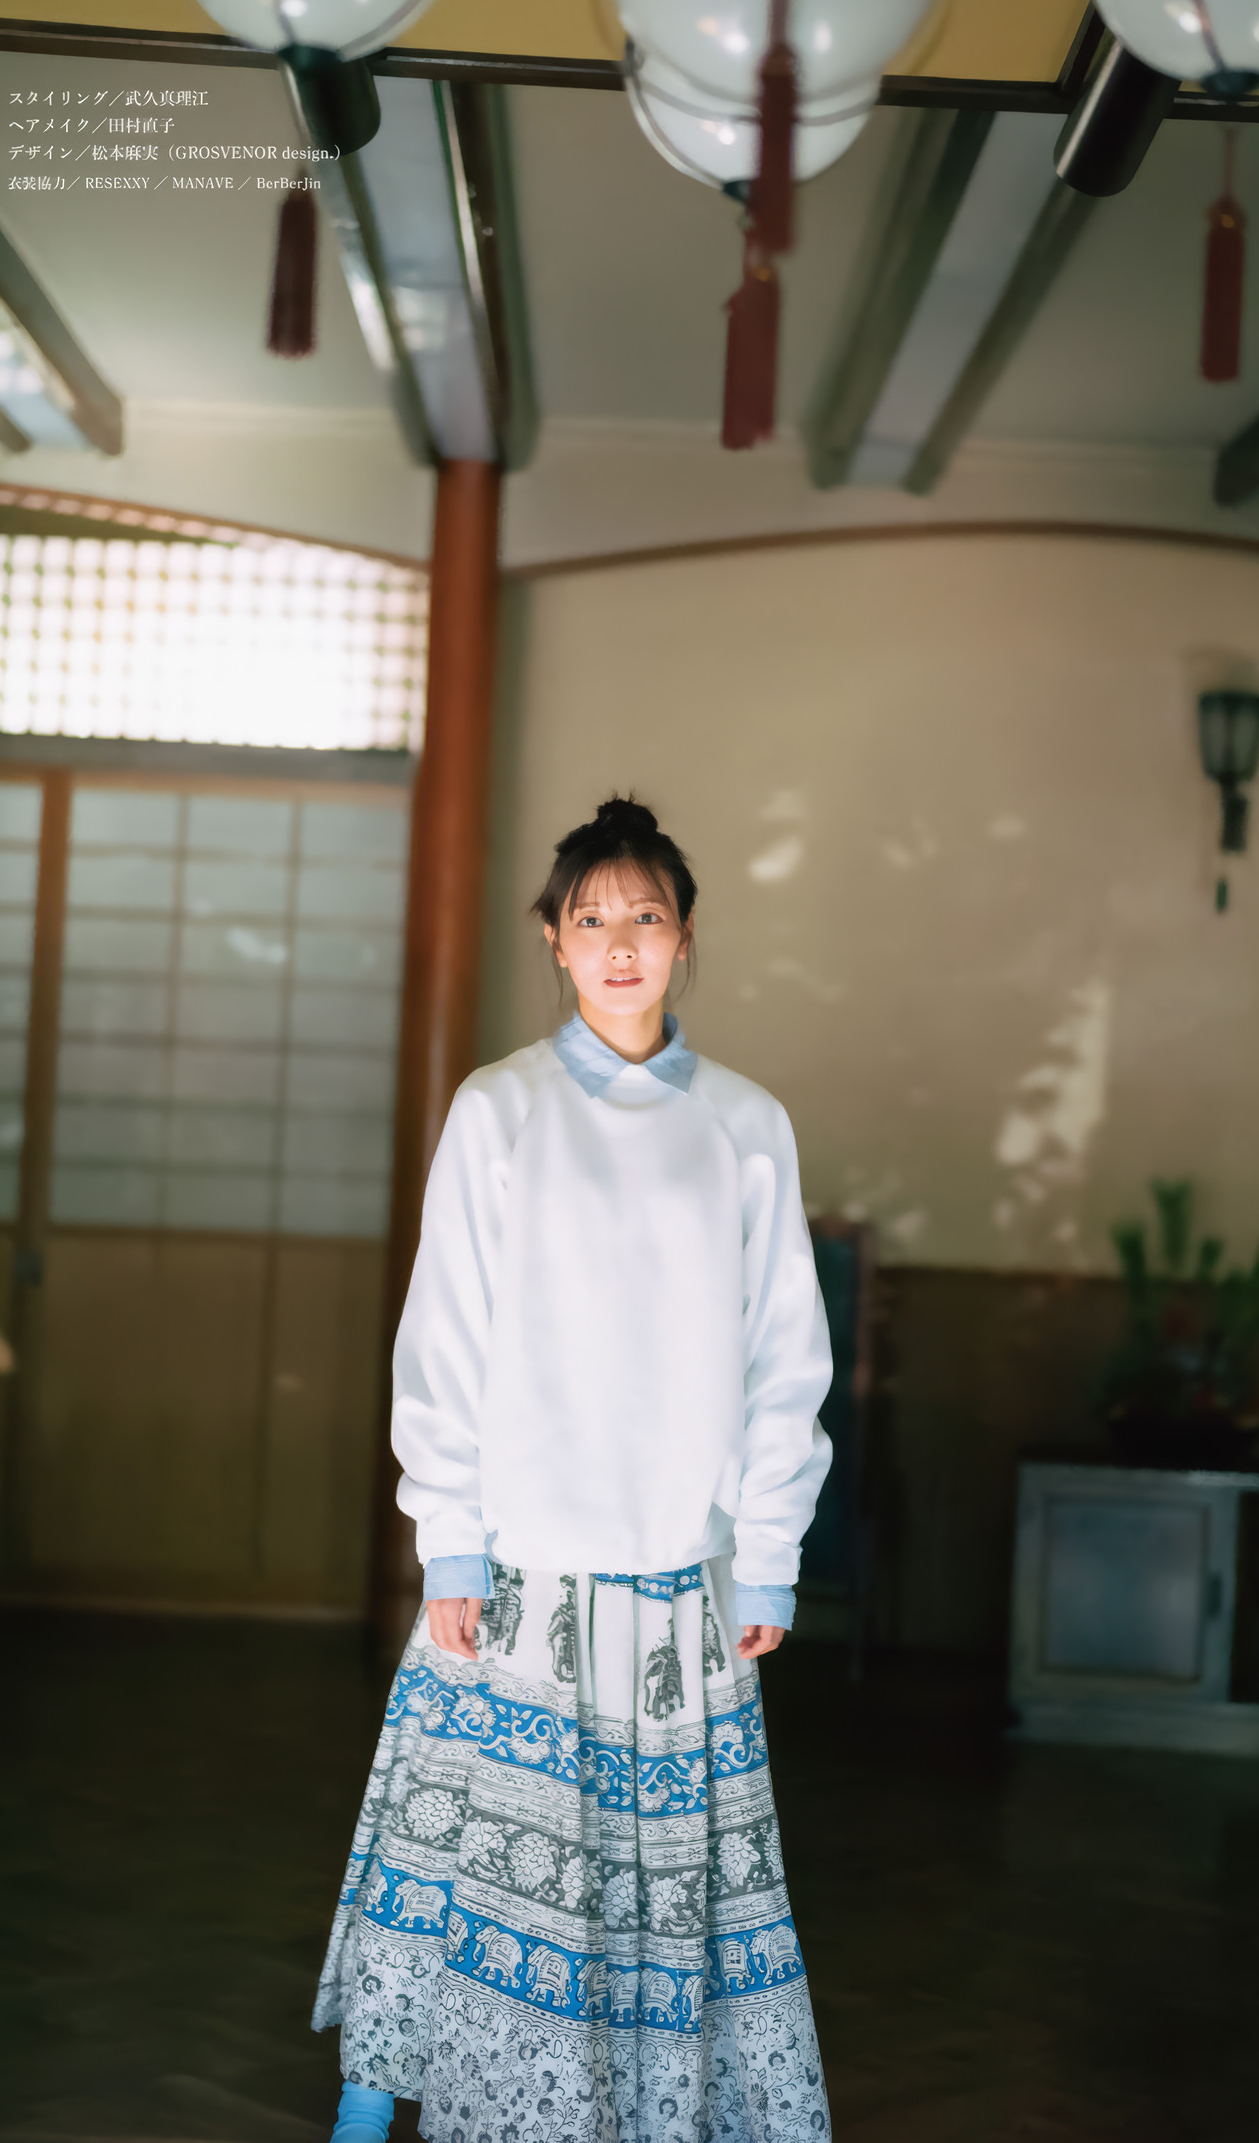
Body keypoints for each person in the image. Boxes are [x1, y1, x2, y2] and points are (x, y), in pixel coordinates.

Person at [312, 796, 835, 2142]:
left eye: (646, 917)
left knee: (656, 1895)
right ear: (553, 939)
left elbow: (785, 1357)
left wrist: (767, 1549)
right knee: (458, 1863)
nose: (620, 945)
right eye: (591, 919)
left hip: (680, 1576)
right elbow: (444, 1336)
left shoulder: (746, 1123)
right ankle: (374, 2113)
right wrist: (449, 1536)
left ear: (684, 936)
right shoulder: (500, 1108)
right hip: (519, 1572)